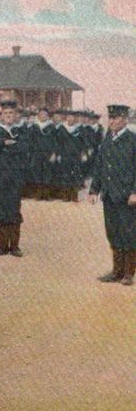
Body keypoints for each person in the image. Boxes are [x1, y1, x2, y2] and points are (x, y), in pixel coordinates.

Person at [88, 105, 136, 285]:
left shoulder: (132, 140)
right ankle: (117, 271)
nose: (112, 122)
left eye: (115, 118)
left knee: (129, 233)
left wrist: (135, 192)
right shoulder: (107, 139)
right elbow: (100, 167)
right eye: (110, 118)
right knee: (113, 232)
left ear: (125, 119)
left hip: (126, 197)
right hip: (109, 195)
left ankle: (129, 273)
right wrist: (94, 190)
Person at [0, 100, 29, 256]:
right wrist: (4, 142)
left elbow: (26, 147)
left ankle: (15, 246)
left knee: (14, 209)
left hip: (15, 176)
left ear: (15, 115)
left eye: (11, 113)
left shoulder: (21, 130)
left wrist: (8, 147)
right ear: (1, 116)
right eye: (5, 113)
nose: (9, 116)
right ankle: (2, 245)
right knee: (0, 209)